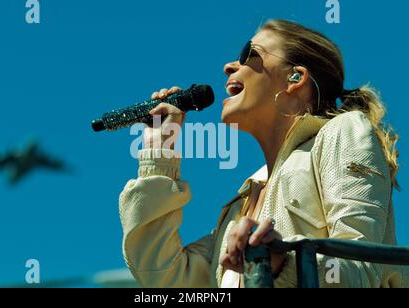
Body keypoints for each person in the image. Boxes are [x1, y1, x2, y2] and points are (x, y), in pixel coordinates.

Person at [118, 19, 406, 288]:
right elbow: (164, 275)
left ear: (295, 78)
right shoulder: (241, 202)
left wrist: (281, 264)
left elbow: (362, 264)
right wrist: (159, 150)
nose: (228, 66)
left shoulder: (343, 132)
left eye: (248, 54)